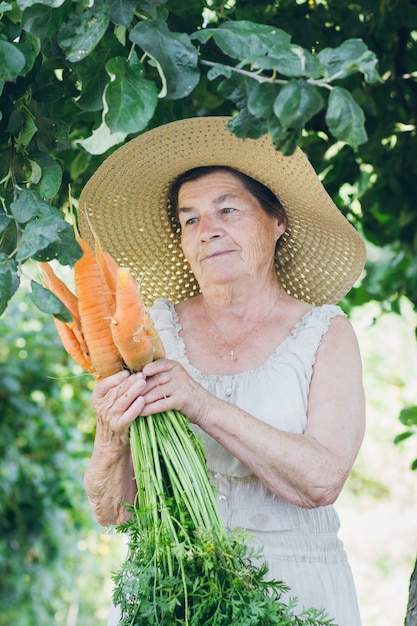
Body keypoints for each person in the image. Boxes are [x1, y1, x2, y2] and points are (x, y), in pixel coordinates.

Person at [78, 117, 366, 626]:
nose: (207, 228)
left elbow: (321, 481)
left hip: (299, 589)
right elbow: (115, 513)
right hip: (175, 591)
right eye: (189, 219)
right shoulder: (150, 332)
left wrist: (201, 403)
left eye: (227, 209)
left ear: (277, 221)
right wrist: (111, 437)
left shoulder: (325, 334)